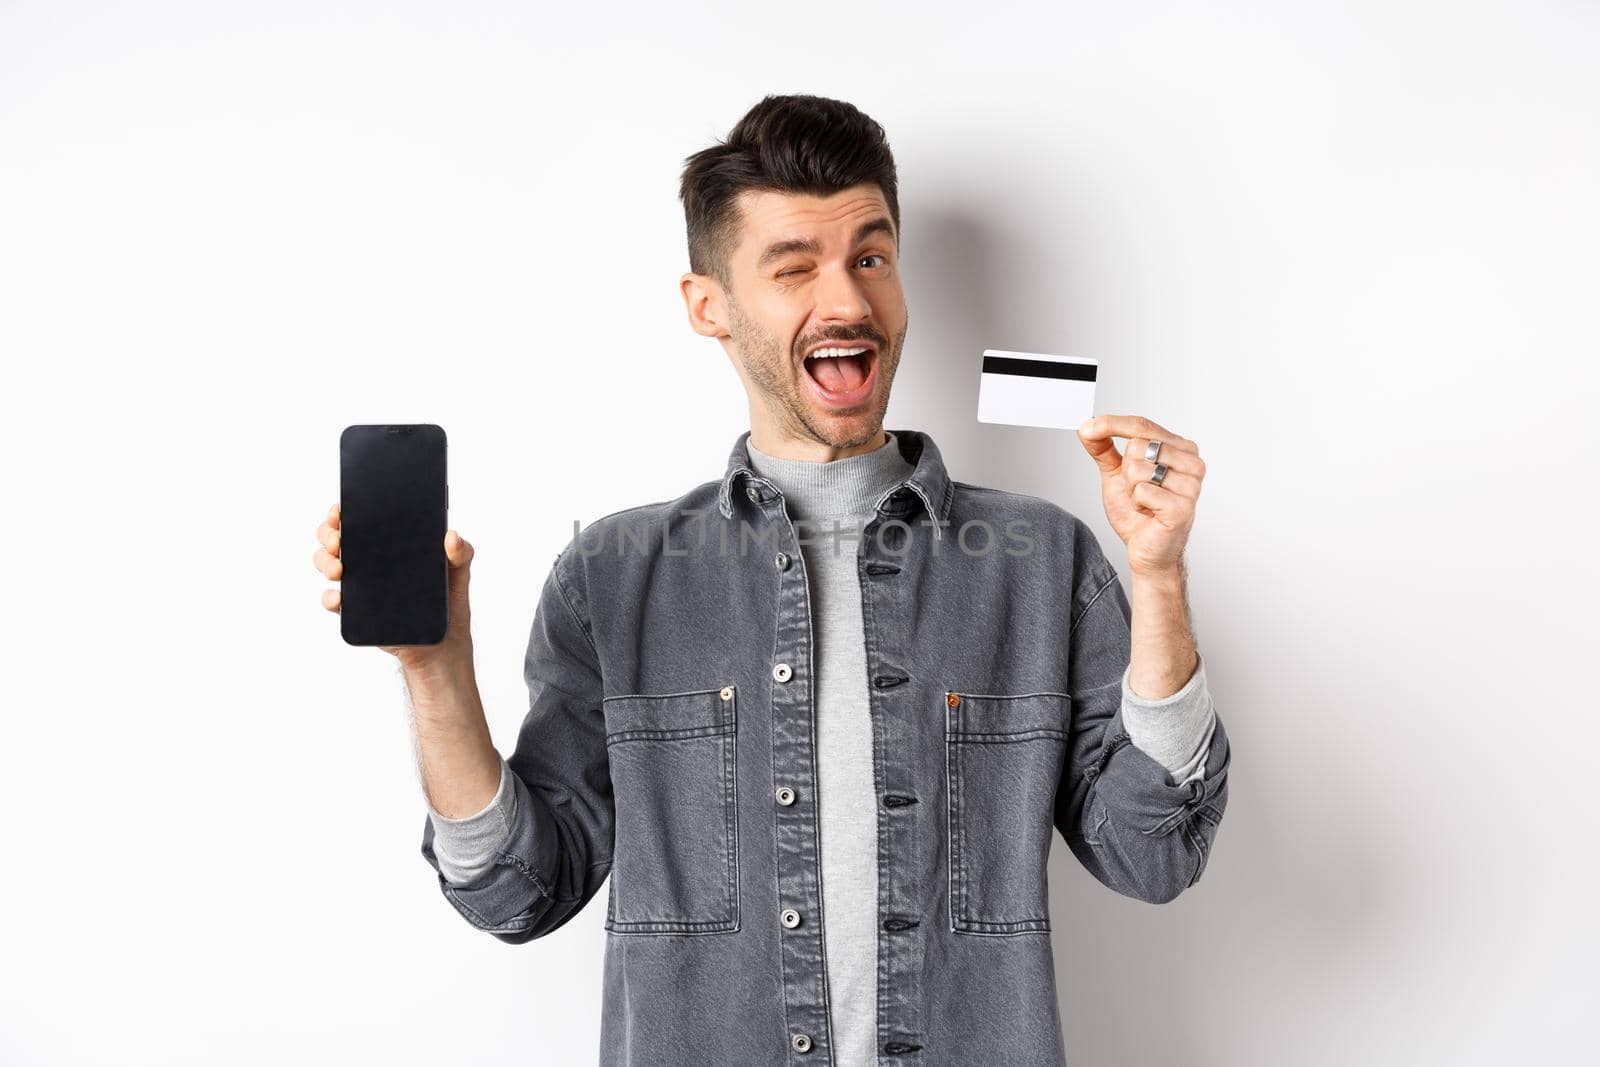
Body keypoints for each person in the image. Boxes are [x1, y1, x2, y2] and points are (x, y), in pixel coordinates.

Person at [311, 93, 1229, 1066]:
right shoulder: (614, 578)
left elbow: (1153, 850)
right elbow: (517, 892)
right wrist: (432, 665)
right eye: (794, 268)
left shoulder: (1041, 561)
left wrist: (1159, 575)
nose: (847, 301)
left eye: (870, 258)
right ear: (709, 305)